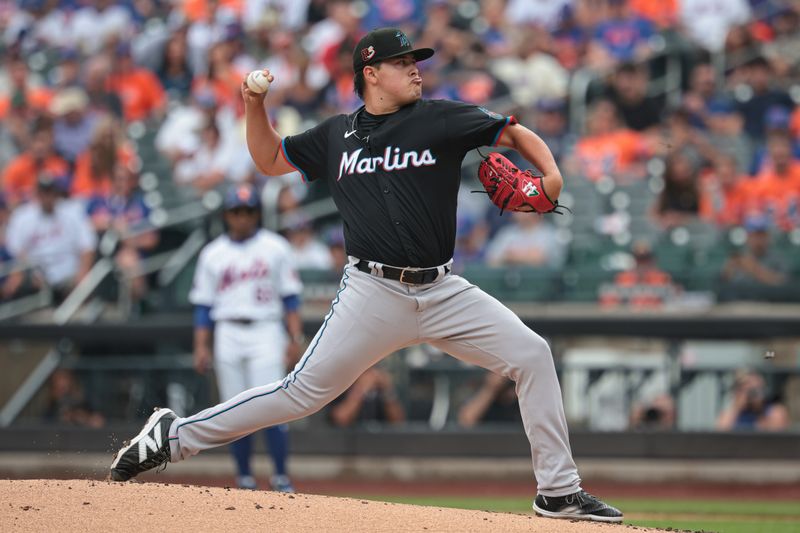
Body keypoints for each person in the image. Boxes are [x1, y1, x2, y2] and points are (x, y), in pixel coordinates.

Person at [109, 28, 623, 523]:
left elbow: (511, 130)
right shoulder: (335, 135)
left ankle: (558, 492)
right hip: (372, 290)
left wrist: (550, 174)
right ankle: (173, 435)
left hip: (443, 290)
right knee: (300, 393)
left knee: (532, 354)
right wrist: (253, 105)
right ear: (371, 72)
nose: (415, 71)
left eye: (415, 62)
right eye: (403, 63)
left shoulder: (440, 119)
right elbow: (267, 159)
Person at [187, 184, 304, 492]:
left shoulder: (276, 247)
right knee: (233, 410)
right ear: (227, 215)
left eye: (248, 211)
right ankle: (244, 478)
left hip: (266, 329)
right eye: (237, 211)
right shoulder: (212, 254)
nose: (243, 217)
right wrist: (201, 346)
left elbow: (291, 299)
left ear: (257, 213)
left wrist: (295, 337)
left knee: (272, 404)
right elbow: (203, 306)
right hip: (227, 330)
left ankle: (280, 476)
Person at [328, 367, 406, 428]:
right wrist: (360, 390)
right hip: (349, 442)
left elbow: (398, 422)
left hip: (379, 442)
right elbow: (340, 420)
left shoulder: (378, 378)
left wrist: (388, 390)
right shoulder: (343, 380)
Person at [716, 370, 789, 431]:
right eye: (744, 388)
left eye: (755, 390)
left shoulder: (774, 411)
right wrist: (738, 406)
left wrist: (759, 407)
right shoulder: (732, 413)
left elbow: (777, 435)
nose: (751, 394)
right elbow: (721, 432)